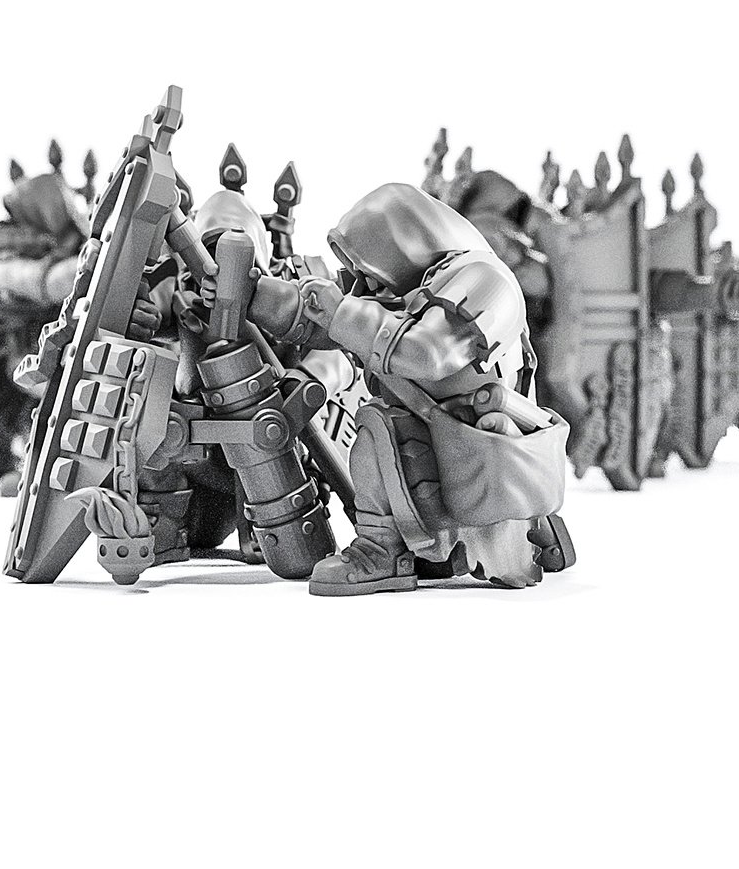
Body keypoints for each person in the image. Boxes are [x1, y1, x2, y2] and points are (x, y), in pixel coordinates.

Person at [204, 182, 573, 596]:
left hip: (486, 446)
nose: (363, 289)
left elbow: (428, 352)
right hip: (448, 443)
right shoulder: (404, 287)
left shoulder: (484, 279)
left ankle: (382, 551)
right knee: (384, 423)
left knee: (377, 428)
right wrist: (251, 294)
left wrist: (341, 312)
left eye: (369, 274)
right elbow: (316, 319)